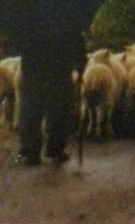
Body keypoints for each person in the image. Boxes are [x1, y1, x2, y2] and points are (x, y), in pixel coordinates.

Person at [15, 29, 85, 166]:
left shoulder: (27, 18)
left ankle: (30, 152)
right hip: (59, 67)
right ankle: (55, 150)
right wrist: (81, 63)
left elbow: (18, 43)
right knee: (59, 108)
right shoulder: (66, 16)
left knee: (31, 107)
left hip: (33, 68)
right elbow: (76, 40)